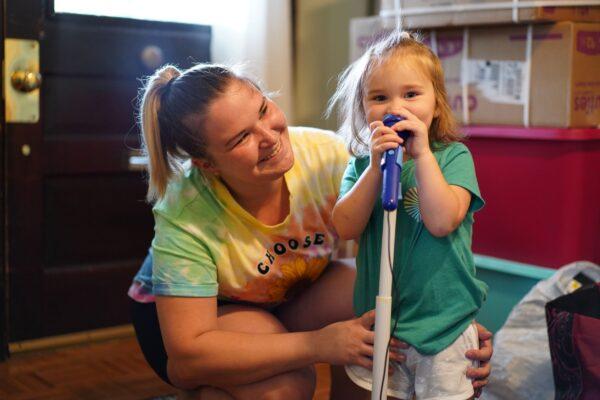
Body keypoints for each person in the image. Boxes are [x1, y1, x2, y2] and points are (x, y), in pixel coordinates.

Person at [127, 62, 492, 399]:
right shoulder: (185, 211)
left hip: (283, 295)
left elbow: (412, 251)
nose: (269, 137)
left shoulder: (325, 156)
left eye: (264, 110)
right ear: (206, 164)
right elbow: (187, 358)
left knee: (379, 317)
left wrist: (450, 328)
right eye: (241, 139)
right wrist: (319, 344)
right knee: (289, 385)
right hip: (203, 321)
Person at [330, 30, 489, 400]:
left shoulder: (453, 159)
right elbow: (345, 227)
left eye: (411, 94)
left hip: (445, 325)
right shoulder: (359, 167)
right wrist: (373, 170)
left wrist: (422, 157)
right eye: (379, 97)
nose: (395, 107)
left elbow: (442, 221)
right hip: (383, 323)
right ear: (363, 108)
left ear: (436, 106)